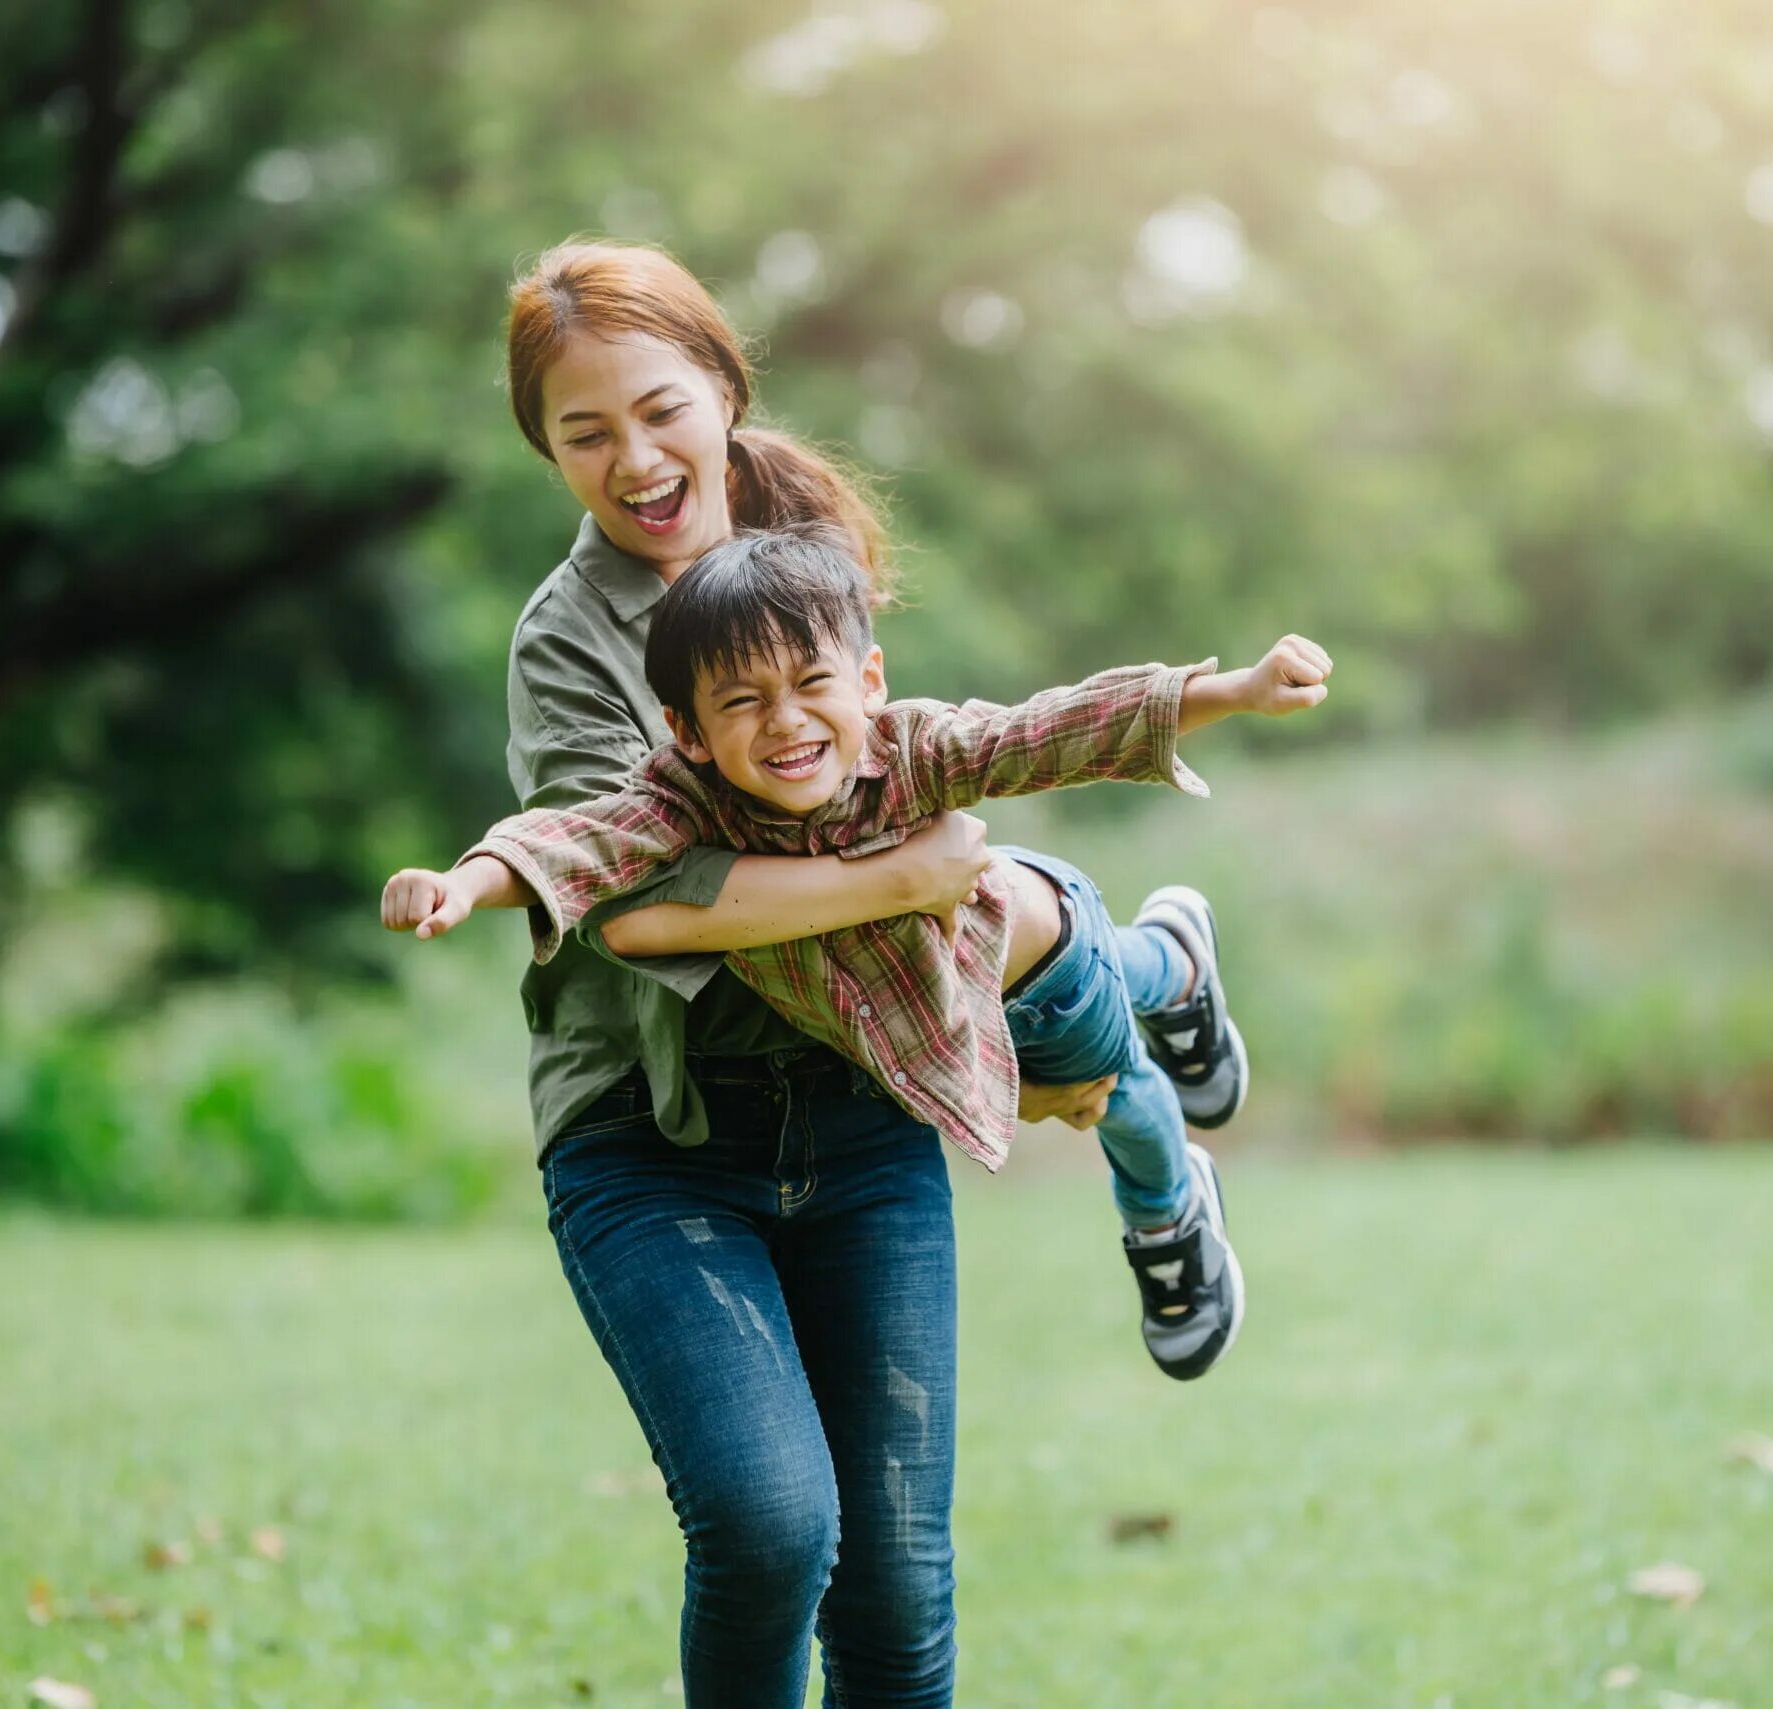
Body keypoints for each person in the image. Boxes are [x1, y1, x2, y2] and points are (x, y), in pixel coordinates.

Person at [408, 236, 1244, 1708]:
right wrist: (898, 881)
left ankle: (1154, 1012)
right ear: (543, 450)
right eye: (582, 433)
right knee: (770, 1524)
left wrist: (1191, 703)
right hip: (658, 1140)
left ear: (723, 388)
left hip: (856, 1113)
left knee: (899, 1590)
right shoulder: (568, 642)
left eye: (659, 409)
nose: (635, 459)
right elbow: (637, 885)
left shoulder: (801, 543)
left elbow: (950, 750)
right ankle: (1156, 993)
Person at [385, 528, 1334, 1376]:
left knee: (1117, 1092)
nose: (787, 721)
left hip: (1036, 968)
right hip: (964, 989)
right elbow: (576, 840)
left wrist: (1237, 691)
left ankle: (1170, 1208)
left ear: (868, 680)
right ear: (687, 730)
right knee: (1126, 1000)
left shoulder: (913, 748)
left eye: (811, 684)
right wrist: (462, 883)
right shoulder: (681, 803)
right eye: (744, 702)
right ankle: (1174, 957)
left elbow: (1053, 729)